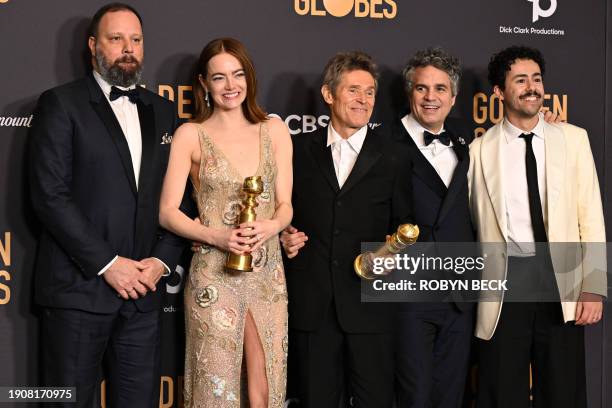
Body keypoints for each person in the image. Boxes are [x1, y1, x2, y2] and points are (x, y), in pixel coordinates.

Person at [29, 3, 187, 407]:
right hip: (78, 293)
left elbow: (179, 197)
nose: (127, 48)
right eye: (117, 39)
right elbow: (50, 195)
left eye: (135, 40)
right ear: (93, 45)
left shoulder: (164, 110)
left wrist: (161, 262)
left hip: (144, 296)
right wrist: (108, 264)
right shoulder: (61, 104)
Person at [468, 45, 606, 408]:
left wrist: (593, 286)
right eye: (520, 80)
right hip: (504, 285)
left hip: (561, 281)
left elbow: (590, 214)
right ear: (499, 92)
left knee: (563, 390)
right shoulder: (479, 150)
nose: (532, 88)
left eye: (536, 79)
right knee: (501, 390)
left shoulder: (574, 139)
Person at [158, 38, 292, 408]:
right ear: (204, 83)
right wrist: (215, 235)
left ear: (249, 78)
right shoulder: (190, 135)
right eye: (219, 77)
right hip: (213, 276)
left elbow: (285, 205)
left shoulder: (274, 130)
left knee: (267, 378)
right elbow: (167, 211)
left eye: (238, 75)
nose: (231, 86)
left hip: (268, 273)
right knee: (215, 385)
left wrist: (270, 227)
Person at [281, 51, 412, 408]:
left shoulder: (396, 156)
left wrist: (393, 256)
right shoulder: (295, 151)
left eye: (369, 92)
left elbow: (408, 226)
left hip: (372, 307)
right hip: (313, 306)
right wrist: (284, 236)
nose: (363, 100)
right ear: (328, 94)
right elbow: (280, 213)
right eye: (353, 90)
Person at [392, 47, 475, 408]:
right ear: (410, 93)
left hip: (458, 294)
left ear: (453, 97)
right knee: (414, 398)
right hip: (407, 294)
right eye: (422, 88)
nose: (431, 97)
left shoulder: (468, 144)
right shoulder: (382, 144)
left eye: (440, 89)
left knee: (450, 398)